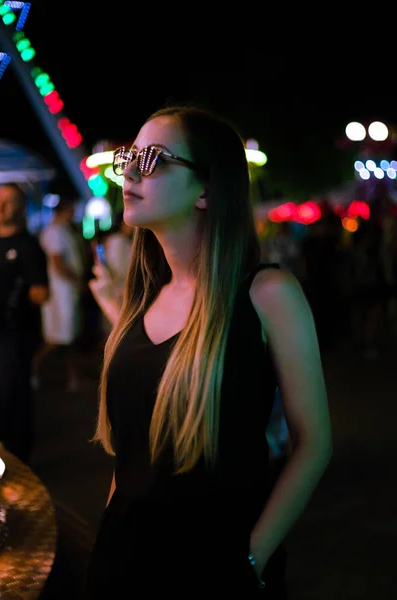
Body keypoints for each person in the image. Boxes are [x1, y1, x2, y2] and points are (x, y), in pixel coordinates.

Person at [87, 105, 332, 598]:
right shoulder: (141, 301)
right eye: (129, 156)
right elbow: (130, 456)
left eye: (153, 158)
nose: (129, 171)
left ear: (206, 190)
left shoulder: (267, 294)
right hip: (123, 566)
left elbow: (314, 443)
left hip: (218, 571)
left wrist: (252, 557)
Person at [0, 183, 49, 463]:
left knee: (12, 396)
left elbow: (42, 292)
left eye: (10, 201)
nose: (2, 206)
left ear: (20, 207)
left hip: (13, 335)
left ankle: (17, 462)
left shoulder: (28, 246)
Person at [33, 195, 87, 391]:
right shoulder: (55, 231)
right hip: (61, 293)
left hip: (66, 291)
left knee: (69, 337)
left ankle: (73, 377)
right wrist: (76, 280)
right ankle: (33, 369)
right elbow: (58, 263)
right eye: (71, 209)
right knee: (58, 337)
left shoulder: (62, 230)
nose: (74, 213)